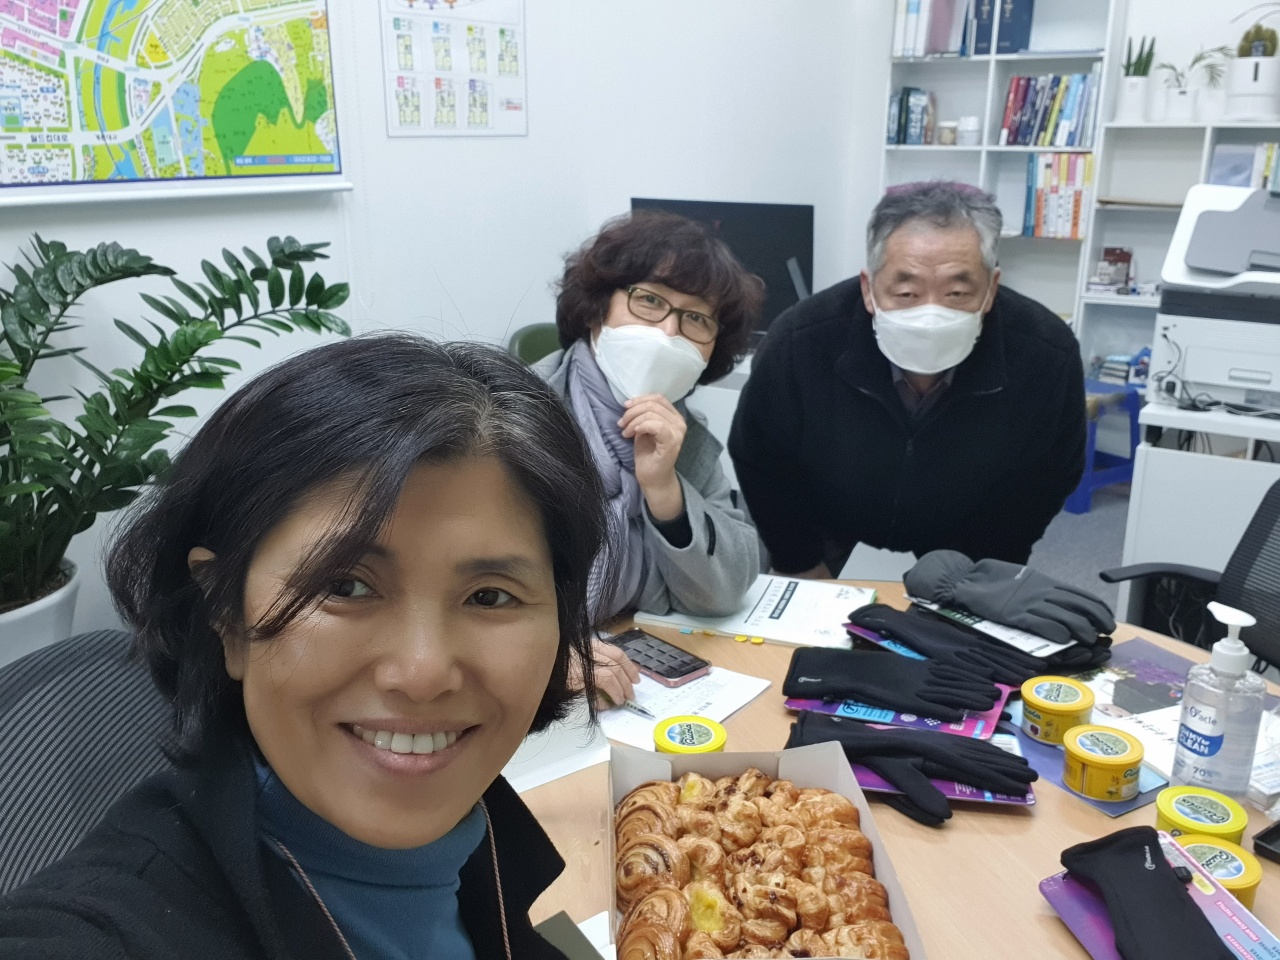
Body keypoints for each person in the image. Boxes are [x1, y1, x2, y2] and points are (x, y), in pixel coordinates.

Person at [0, 335, 610, 960]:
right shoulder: (108, 933)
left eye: (489, 597)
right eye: (343, 586)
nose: (422, 672)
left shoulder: (480, 832)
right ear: (225, 614)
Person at [729, 181, 1086, 578]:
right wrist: (799, 561)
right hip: (825, 509)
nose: (930, 315)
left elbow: (1047, 477)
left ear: (990, 290)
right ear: (869, 288)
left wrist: (983, 575)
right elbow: (762, 458)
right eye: (907, 293)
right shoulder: (801, 340)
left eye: (956, 293)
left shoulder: (1046, 355)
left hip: (969, 522)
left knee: (967, 611)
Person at [534, 212, 765, 705]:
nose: (668, 332)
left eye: (696, 319)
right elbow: (453, 582)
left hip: (627, 666)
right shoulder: (513, 412)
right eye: (650, 301)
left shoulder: (684, 435)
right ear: (597, 308)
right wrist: (541, 656)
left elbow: (728, 586)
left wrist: (665, 491)